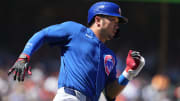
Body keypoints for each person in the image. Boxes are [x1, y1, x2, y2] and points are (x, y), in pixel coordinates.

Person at [8, 1, 145, 101]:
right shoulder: (75, 30)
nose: (117, 25)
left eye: (118, 21)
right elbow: (43, 34)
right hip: (69, 97)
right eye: (112, 19)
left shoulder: (110, 55)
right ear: (98, 20)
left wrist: (129, 73)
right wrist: (24, 56)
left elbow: (110, 93)